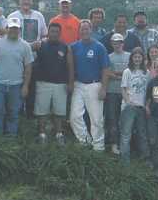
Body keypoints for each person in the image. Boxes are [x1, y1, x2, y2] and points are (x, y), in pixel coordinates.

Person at [0, 17, 33, 136]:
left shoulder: (25, 46)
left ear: (20, 30)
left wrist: (25, 86)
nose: (13, 30)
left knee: (13, 113)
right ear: (6, 28)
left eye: (16, 28)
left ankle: (11, 137)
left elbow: (28, 67)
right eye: (11, 28)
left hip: (16, 86)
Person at [70, 20, 110, 151]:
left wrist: (103, 88)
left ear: (91, 30)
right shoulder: (74, 47)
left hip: (95, 85)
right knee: (74, 117)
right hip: (78, 85)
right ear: (79, 31)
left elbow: (105, 69)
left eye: (87, 29)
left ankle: (98, 147)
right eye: (82, 29)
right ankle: (85, 141)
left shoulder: (99, 47)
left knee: (96, 119)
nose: (84, 31)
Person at [33, 22, 74, 145]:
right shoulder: (40, 45)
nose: (54, 34)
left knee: (59, 112)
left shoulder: (66, 47)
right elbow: (26, 51)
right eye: (52, 31)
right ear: (48, 32)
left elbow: (70, 66)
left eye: (57, 32)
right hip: (42, 83)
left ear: (60, 33)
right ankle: (42, 134)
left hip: (60, 84)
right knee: (42, 111)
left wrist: (70, 83)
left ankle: (59, 134)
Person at [119, 47, 149, 164]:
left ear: (143, 58)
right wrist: (128, 101)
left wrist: (146, 105)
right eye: (135, 57)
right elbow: (123, 89)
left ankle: (144, 158)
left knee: (142, 133)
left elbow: (148, 90)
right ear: (131, 58)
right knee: (126, 134)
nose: (137, 59)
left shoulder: (147, 73)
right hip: (129, 106)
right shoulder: (127, 71)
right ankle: (125, 160)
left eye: (139, 57)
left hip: (141, 106)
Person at [106, 33, 130, 155]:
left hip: (126, 92)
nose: (117, 45)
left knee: (125, 119)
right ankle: (114, 143)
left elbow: (131, 72)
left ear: (123, 43)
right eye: (115, 43)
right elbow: (108, 73)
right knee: (112, 118)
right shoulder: (108, 57)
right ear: (112, 44)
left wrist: (117, 74)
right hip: (112, 92)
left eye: (119, 42)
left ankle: (125, 143)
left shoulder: (129, 56)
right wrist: (121, 74)